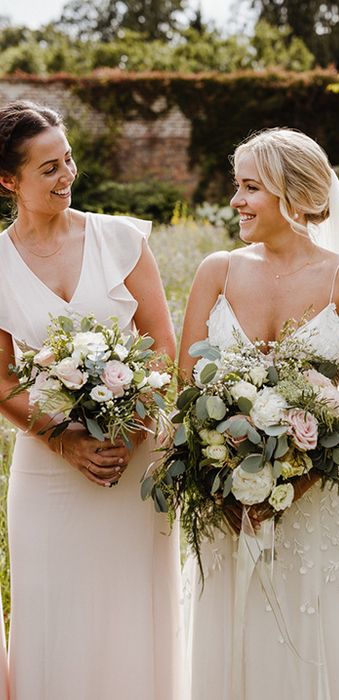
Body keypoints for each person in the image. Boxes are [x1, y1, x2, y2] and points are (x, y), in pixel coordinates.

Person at [180, 128, 339, 699]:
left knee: (313, 634)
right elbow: (184, 385)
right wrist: (224, 481)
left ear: (293, 195)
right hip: (223, 499)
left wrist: (298, 478)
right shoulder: (216, 271)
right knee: (234, 629)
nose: (236, 201)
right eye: (237, 186)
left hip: (321, 496)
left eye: (250, 188)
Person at [0, 101, 183, 699]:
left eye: (68, 159)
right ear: (9, 181)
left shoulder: (121, 238)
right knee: (53, 611)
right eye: (48, 167)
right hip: (47, 465)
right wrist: (65, 442)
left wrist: (128, 430)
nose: (67, 175)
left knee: (133, 610)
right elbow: (1, 381)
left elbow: (161, 343)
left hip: (135, 456)